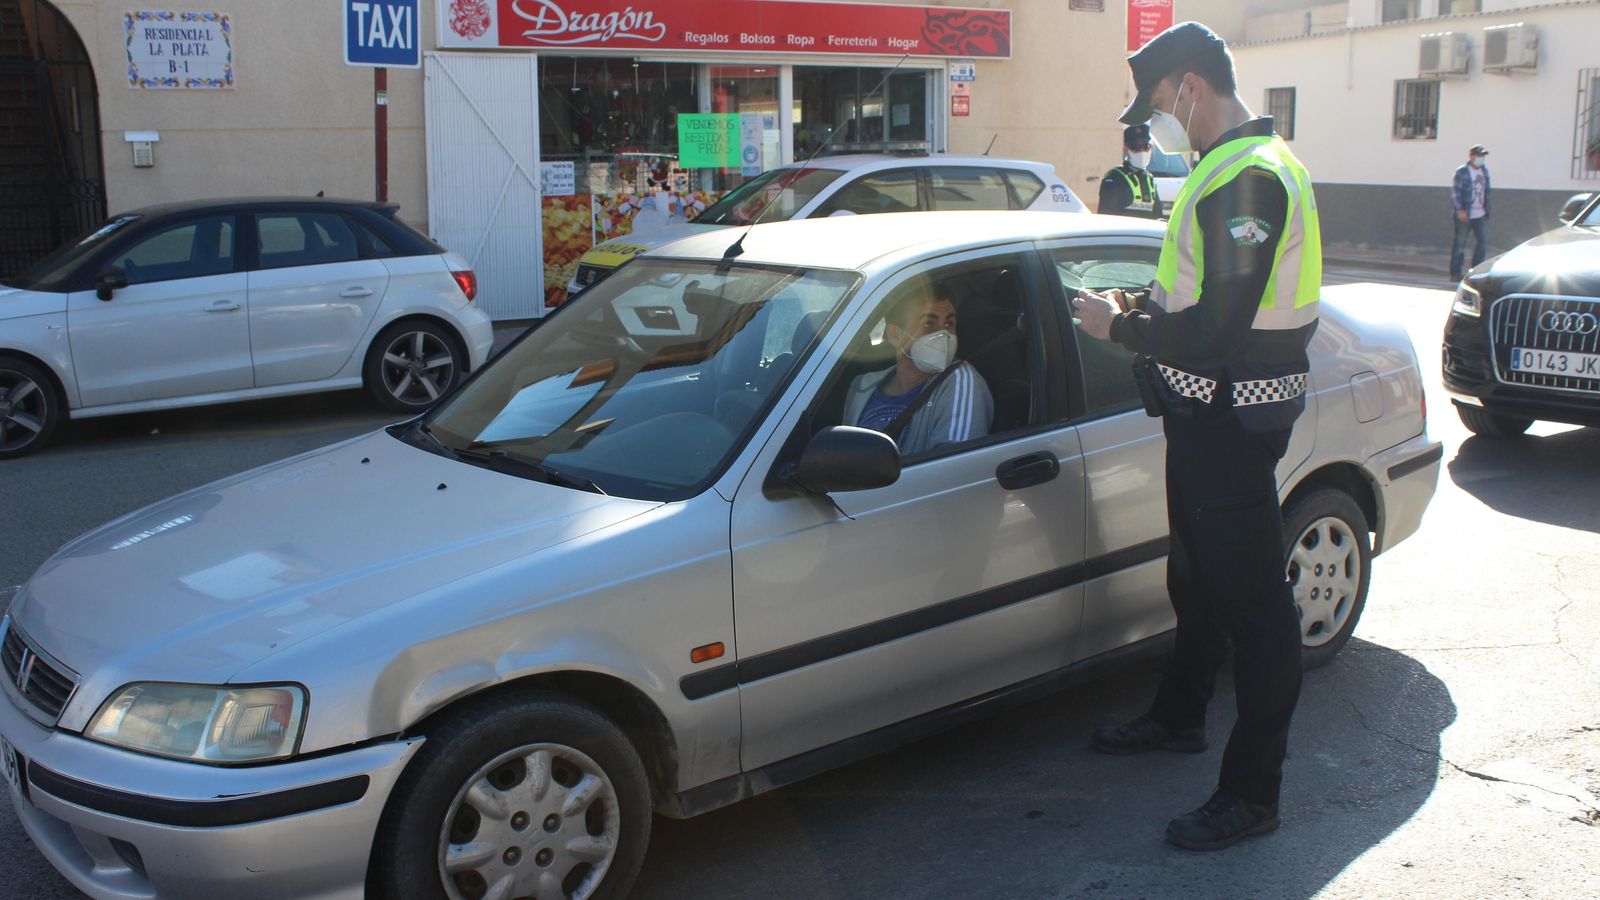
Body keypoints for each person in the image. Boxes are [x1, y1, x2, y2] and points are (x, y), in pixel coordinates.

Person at [1070, 20, 1321, 852]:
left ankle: (1253, 794)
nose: (1157, 122)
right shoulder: (1227, 169)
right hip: (1204, 413)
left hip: (1230, 420)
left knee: (1257, 615)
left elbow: (1217, 330)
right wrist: (1142, 309)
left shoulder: (1251, 177)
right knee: (1195, 578)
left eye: (1160, 103)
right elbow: (1198, 298)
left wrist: (1120, 332)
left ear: (1189, 86)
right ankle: (1179, 717)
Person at [843, 289, 992, 457]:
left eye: (949, 324)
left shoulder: (960, 381)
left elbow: (954, 469)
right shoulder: (863, 386)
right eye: (928, 324)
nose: (943, 334)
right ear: (895, 335)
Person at [1098, 123, 1163, 219]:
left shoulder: (1149, 180)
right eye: (1135, 147)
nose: (1141, 151)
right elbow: (1106, 219)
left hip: (1143, 234)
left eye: (1146, 146)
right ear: (1125, 148)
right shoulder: (1115, 178)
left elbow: (1158, 218)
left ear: (1152, 148)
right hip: (1123, 234)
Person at [1450, 144, 1491, 281]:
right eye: (1479, 156)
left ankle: (1476, 271)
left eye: (1483, 156)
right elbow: (1455, 193)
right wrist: (1460, 210)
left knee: (1483, 241)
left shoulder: (1484, 171)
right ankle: (1456, 272)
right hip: (1465, 213)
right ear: (1471, 156)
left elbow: (1486, 192)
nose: (1481, 159)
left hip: (1480, 214)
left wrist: (1486, 209)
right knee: (1460, 243)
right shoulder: (1462, 172)